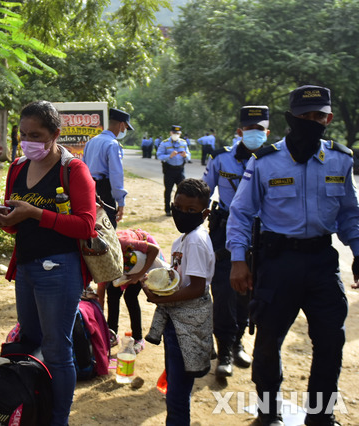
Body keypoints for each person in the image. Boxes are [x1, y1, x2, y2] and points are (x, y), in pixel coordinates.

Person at [227, 85, 359, 426]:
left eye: (319, 116)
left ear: (328, 118)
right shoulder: (265, 161)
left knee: (331, 341)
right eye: (305, 116)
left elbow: (350, 215)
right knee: (268, 342)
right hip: (277, 263)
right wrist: (239, 260)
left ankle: (320, 416)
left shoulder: (340, 159)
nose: (312, 122)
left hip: (321, 262)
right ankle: (268, 413)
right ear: (291, 118)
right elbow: (241, 213)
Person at [0, 100, 96, 426]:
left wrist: (35, 213)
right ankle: (35, 407)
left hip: (61, 269)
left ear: (55, 134)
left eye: (35, 134)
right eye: (23, 134)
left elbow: (85, 226)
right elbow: (14, 223)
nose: (27, 141)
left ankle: (58, 420)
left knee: (56, 349)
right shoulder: (18, 167)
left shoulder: (72, 169)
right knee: (30, 342)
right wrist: (3, 220)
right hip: (26, 267)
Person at [202, 106, 269, 379]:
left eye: (260, 129)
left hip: (261, 232)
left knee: (248, 290)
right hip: (225, 229)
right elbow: (205, 191)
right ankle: (224, 349)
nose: (255, 134)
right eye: (250, 129)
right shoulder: (220, 159)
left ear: (267, 132)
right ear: (240, 131)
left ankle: (239, 340)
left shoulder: (272, 159)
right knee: (224, 290)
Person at [144, 178, 214, 426]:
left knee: (177, 393)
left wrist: (160, 297)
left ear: (205, 213)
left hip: (187, 322)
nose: (182, 214)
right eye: (178, 207)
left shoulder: (195, 240)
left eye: (191, 211)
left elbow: (195, 287)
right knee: (175, 382)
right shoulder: (183, 239)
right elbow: (179, 276)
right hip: (177, 320)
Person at [102, 228, 160, 353]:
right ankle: (112, 333)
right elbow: (101, 290)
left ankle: (138, 338)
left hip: (141, 259)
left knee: (130, 296)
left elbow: (154, 250)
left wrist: (139, 275)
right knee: (112, 292)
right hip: (126, 260)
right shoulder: (102, 256)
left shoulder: (124, 243)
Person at [82, 107, 132, 228]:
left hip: (90, 188)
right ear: (121, 125)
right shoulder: (112, 144)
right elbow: (116, 175)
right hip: (105, 190)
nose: (124, 130)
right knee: (107, 227)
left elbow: (83, 167)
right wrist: (121, 202)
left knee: (93, 225)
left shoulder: (91, 141)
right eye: (125, 127)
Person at [157, 125, 191, 217]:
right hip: (169, 170)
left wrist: (186, 156)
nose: (176, 134)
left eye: (178, 133)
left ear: (180, 134)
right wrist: (169, 156)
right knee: (168, 190)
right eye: (174, 133)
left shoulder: (183, 143)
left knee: (181, 190)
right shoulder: (164, 143)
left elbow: (189, 155)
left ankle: (178, 209)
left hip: (180, 169)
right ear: (171, 133)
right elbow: (159, 155)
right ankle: (167, 209)